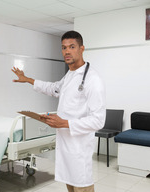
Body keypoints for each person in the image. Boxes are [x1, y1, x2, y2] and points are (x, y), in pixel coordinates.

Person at [12, 30, 106, 192]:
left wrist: (64, 122)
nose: (67, 51)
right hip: (65, 142)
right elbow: (54, 88)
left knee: (82, 187)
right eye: (63, 48)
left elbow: (98, 120)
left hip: (79, 146)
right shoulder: (70, 75)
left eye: (71, 47)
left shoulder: (92, 80)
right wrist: (28, 79)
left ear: (81, 49)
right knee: (70, 185)